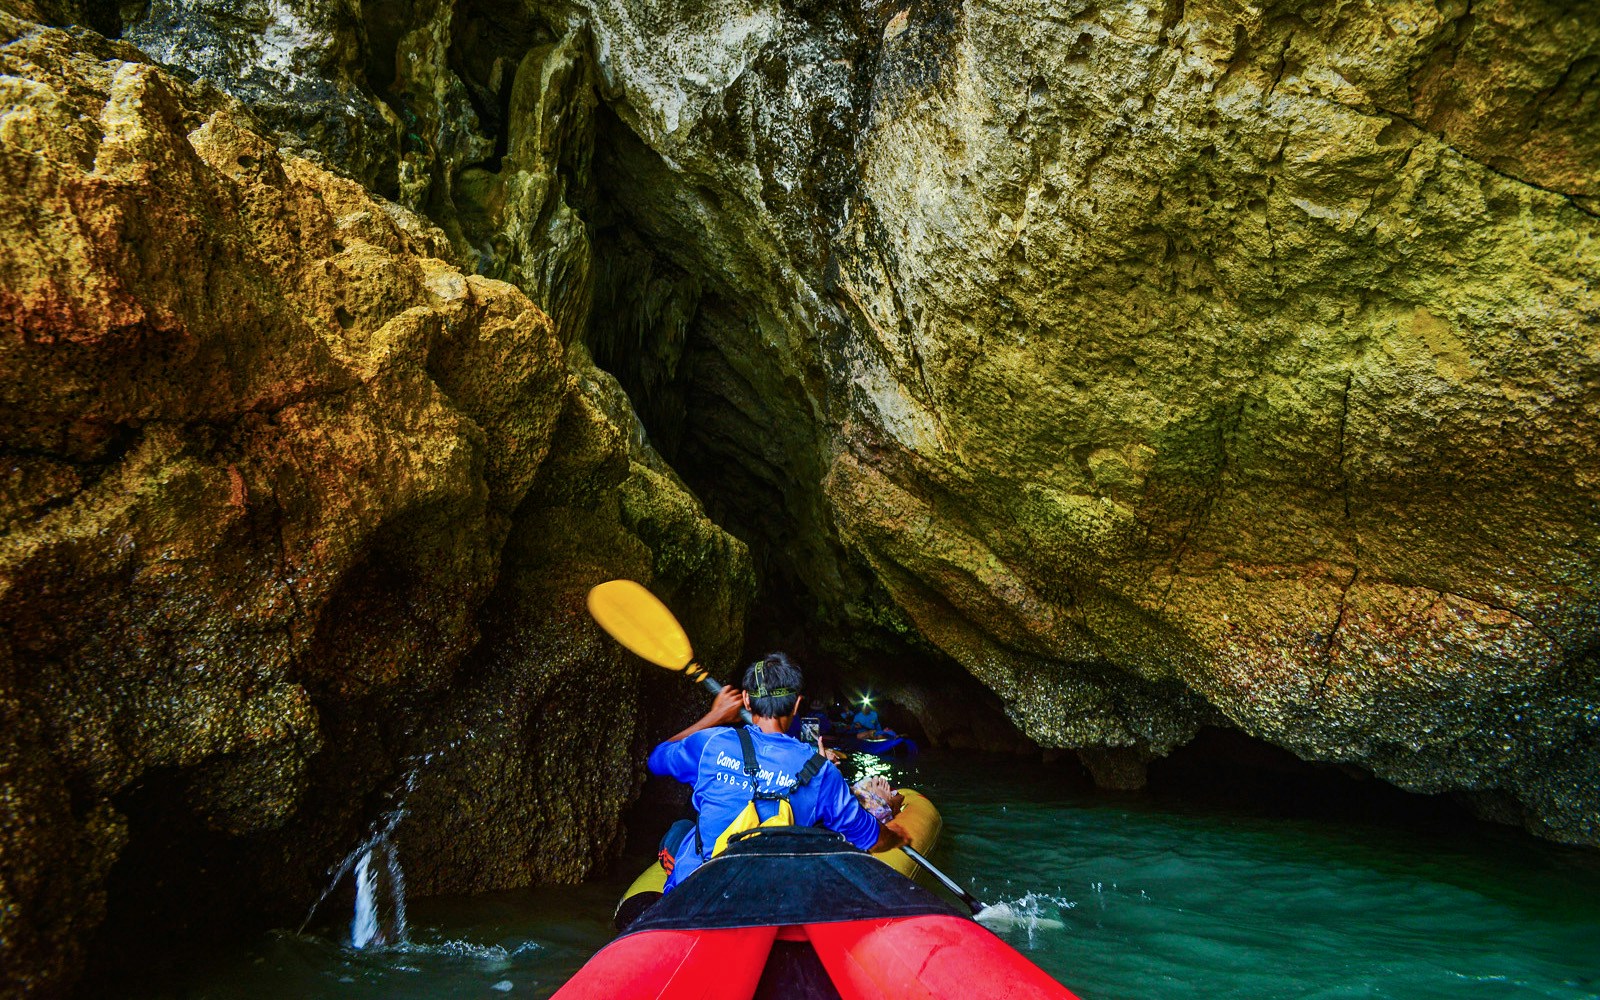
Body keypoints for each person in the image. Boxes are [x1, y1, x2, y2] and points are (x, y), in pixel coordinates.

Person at [646, 652, 908, 895]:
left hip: (697, 890)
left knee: (680, 829)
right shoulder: (821, 771)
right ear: (796, 705)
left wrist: (714, 716)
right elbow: (870, 839)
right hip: (771, 896)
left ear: (747, 699)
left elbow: (657, 759)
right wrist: (896, 835)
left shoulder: (710, 743)